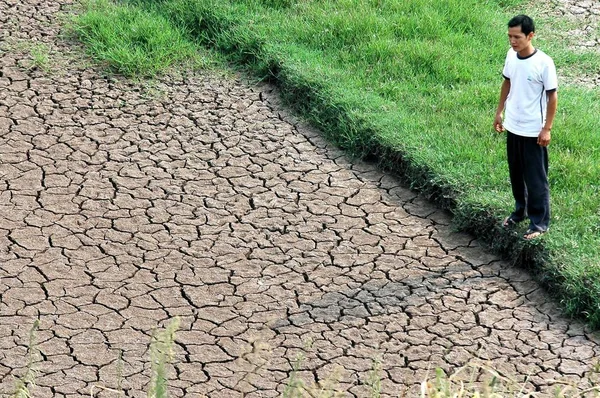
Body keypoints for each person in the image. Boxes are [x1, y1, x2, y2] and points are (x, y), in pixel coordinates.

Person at [494, 14, 558, 240]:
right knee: (516, 174)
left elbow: (552, 97)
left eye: (517, 37)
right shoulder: (511, 56)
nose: (513, 41)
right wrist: (499, 111)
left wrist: (547, 128)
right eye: (510, 36)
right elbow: (507, 82)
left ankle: (539, 223)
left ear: (531, 35)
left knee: (535, 178)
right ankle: (519, 211)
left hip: (533, 131)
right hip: (513, 125)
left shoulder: (544, 63)